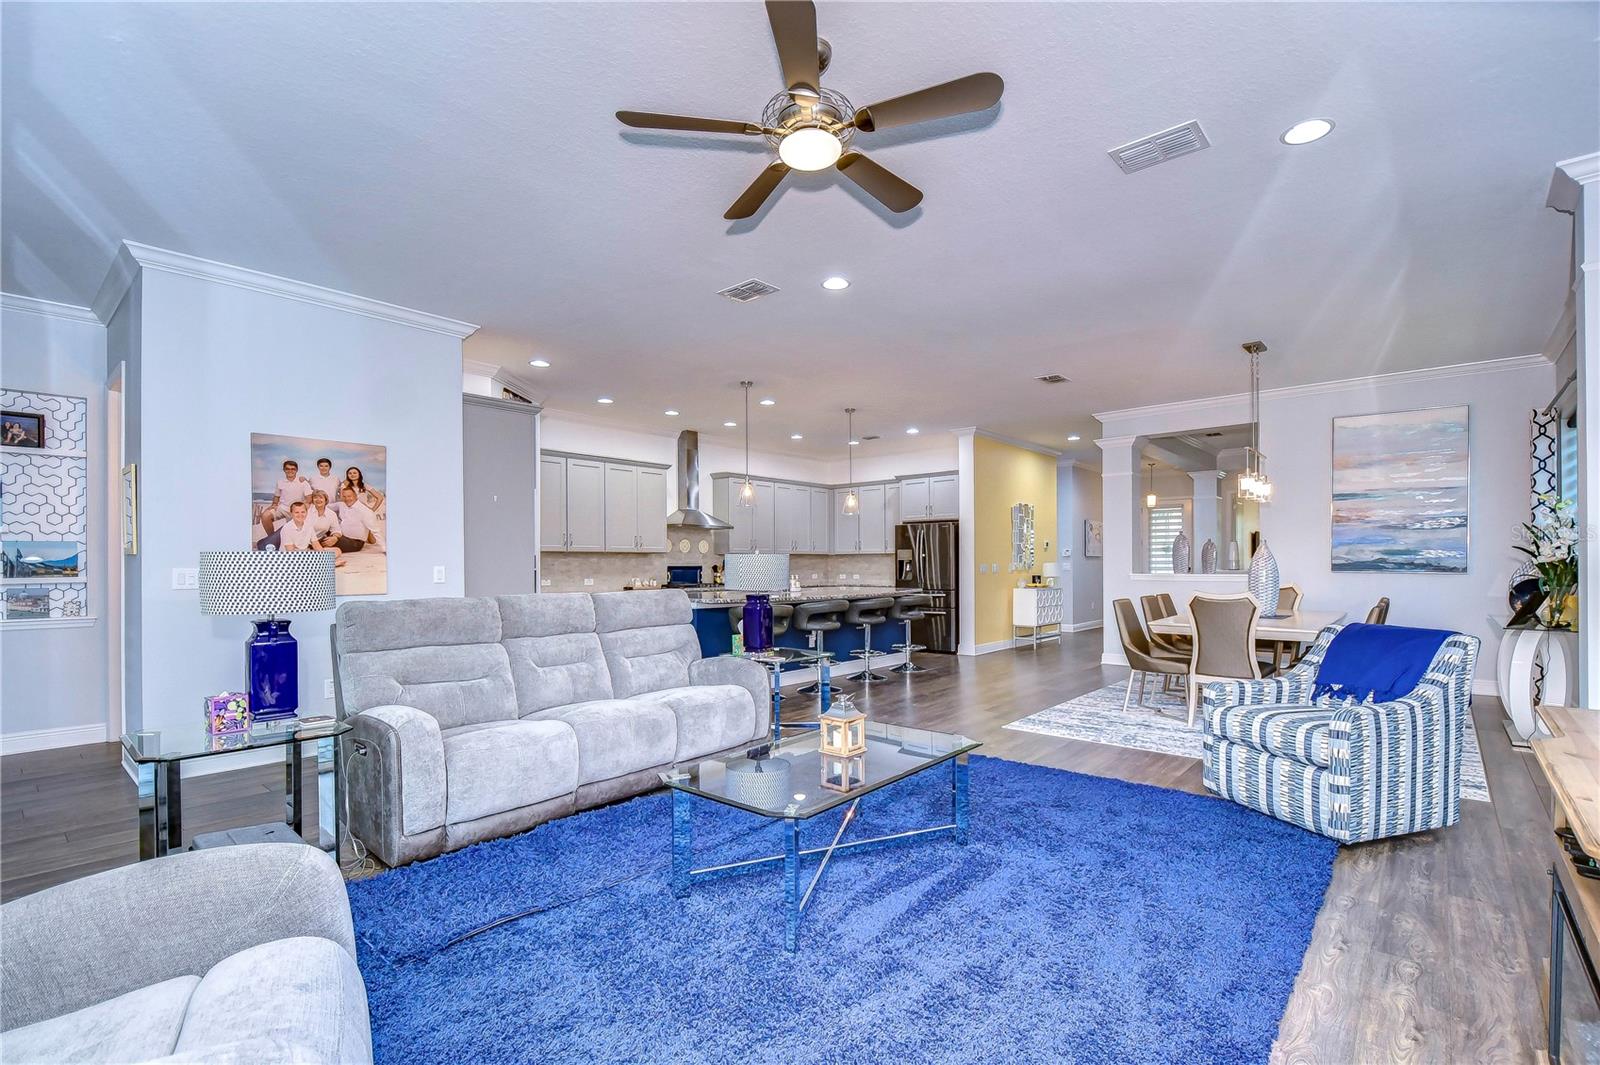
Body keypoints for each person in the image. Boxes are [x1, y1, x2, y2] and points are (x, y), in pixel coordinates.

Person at [331, 484, 380, 553]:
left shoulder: (364, 509)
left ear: (355, 496)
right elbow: (324, 507)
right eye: (344, 496)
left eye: (349, 496)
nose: (347, 499)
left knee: (324, 541)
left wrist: (384, 548)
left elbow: (375, 531)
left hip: (355, 542)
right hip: (342, 537)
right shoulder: (341, 505)